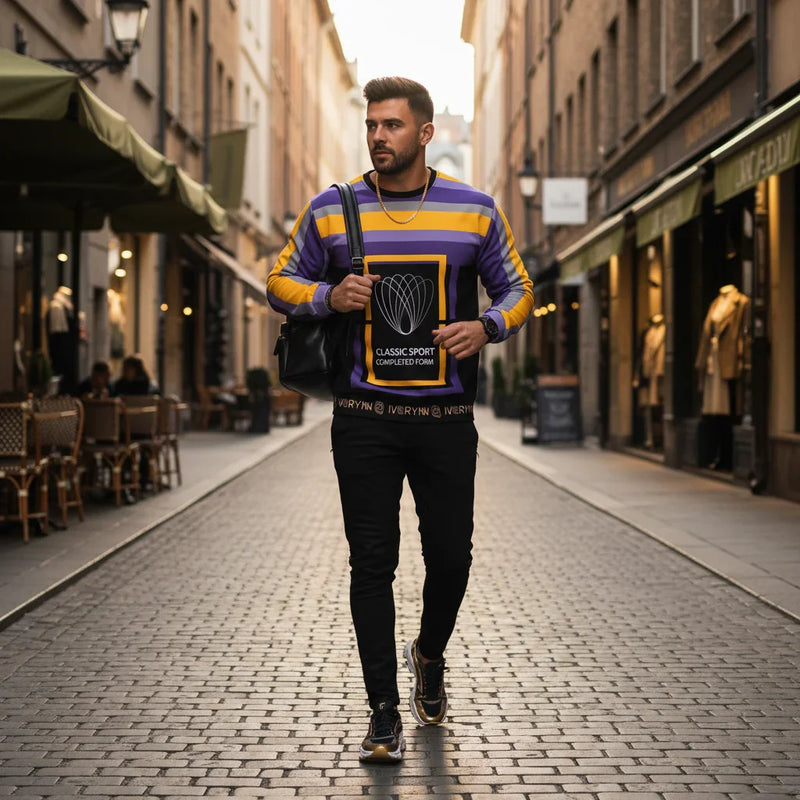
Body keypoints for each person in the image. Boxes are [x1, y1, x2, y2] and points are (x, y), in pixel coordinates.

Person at [267, 77, 533, 763]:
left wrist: (487, 326)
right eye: (371, 125)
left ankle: (430, 653)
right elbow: (280, 282)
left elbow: (518, 287)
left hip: (445, 418)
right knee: (372, 562)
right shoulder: (333, 209)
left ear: (424, 133)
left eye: (391, 125)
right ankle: (382, 711)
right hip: (364, 418)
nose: (378, 136)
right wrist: (329, 295)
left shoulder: (475, 211)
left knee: (451, 557)